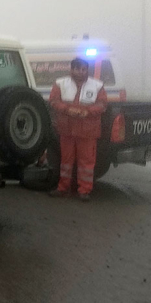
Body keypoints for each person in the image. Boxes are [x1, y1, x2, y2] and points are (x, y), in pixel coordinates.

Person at [48, 57, 108, 201]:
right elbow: (53, 101)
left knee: (86, 163)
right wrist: (68, 109)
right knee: (66, 161)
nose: (81, 72)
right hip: (67, 130)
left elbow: (102, 105)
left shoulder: (97, 85)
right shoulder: (60, 83)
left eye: (83, 69)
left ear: (87, 70)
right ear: (72, 69)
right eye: (77, 69)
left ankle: (84, 191)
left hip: (88, 132)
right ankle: (63, 188)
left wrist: (87, 112)